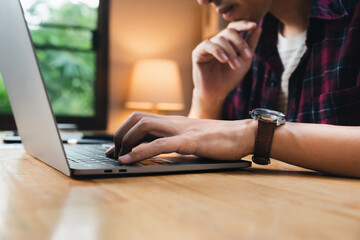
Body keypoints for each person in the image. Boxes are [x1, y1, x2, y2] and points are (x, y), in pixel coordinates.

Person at [106, 0, 360, 178]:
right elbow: (202, 150)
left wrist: (254, 135)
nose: (203, 1)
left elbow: (238, 137)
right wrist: (208, 98)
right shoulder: (247, 40)